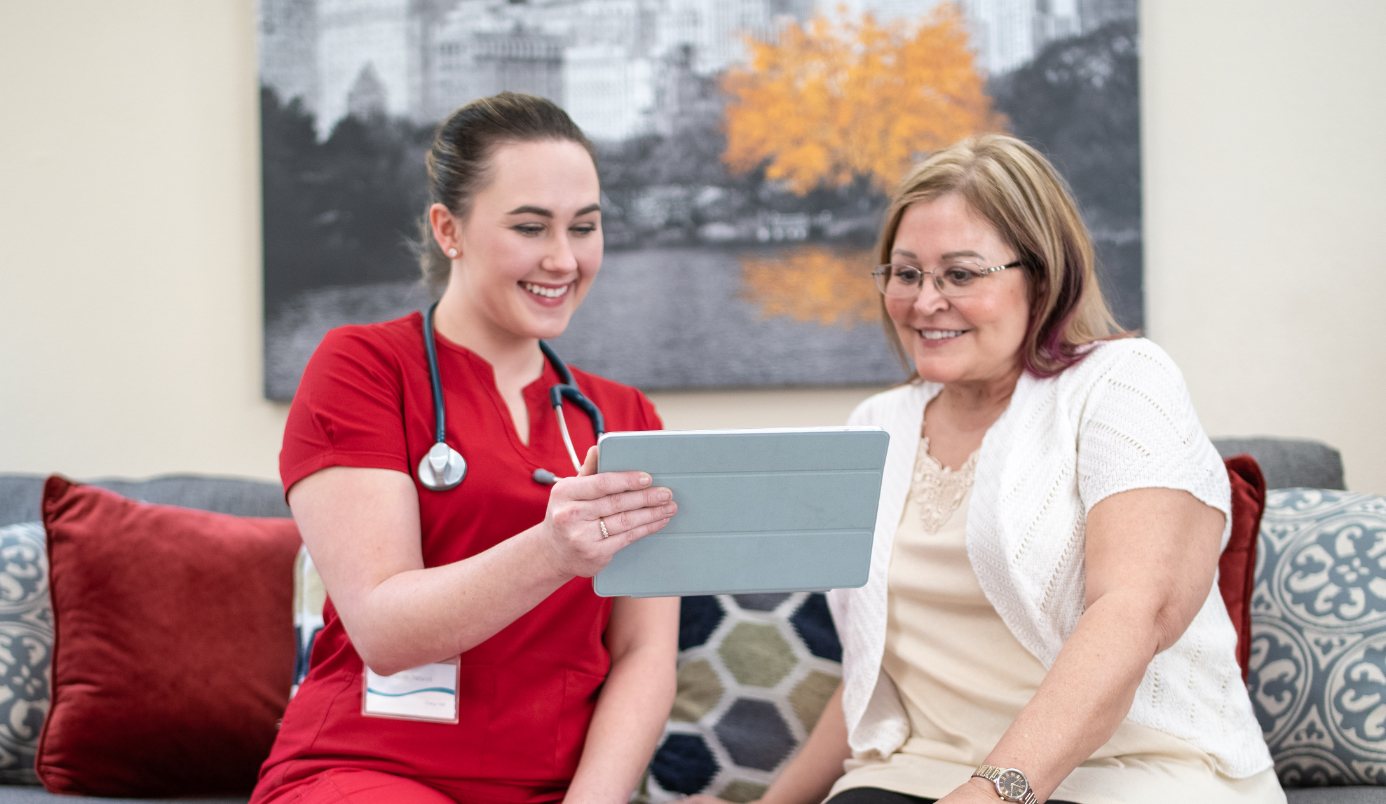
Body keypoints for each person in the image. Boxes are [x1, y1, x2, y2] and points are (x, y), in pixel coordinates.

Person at [690, 134, 1283, 804]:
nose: (925, 301)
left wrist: (991, 793)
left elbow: (1132, 612)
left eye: (961, 274)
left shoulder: (1123, 384)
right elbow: (877, 670)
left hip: (1130, 773)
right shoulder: (875, 427)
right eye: (906, 273)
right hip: (914, 771)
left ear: (1042, 275)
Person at [252, 92, 680, 803]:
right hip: (371, 772)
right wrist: (554, 549)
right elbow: (386, 629)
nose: (563, 258)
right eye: (530, 227)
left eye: (585, 227)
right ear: (448, 230)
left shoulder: (625, 417)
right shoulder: (362, 368)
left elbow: (643, 656)